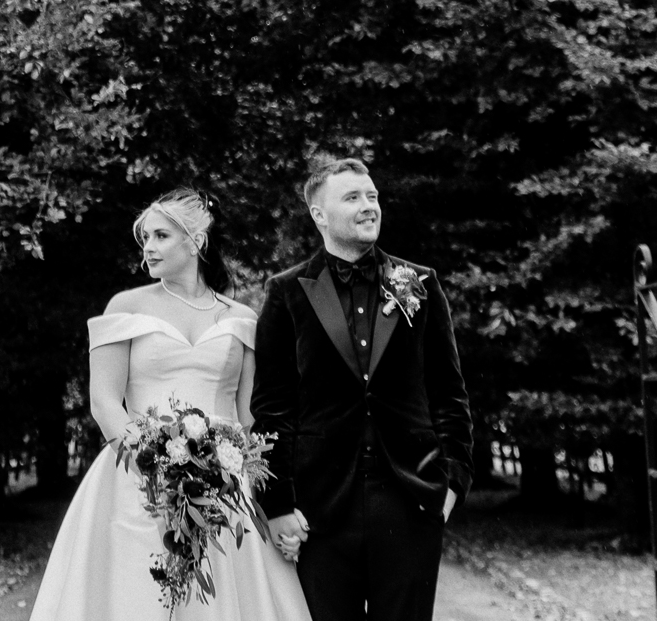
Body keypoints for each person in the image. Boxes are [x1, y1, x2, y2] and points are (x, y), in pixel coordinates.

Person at [28, 189, 313, 621]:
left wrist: (255, 482)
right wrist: (156, 464)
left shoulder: (241, 318)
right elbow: (104, 401)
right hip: (135, 476)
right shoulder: (125, 307)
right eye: (145, 238)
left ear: (195, 241)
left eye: (161, 236)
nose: (149, 248)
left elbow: (250, 413)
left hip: (226, 482)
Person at [251, 157, 473, 621]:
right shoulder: (286, 292)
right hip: (320, 510)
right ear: (319, 214)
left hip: (410, 500)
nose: (369, 206)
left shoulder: (420, 284)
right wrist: (278, 505)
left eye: (372, 196)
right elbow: (272, 408)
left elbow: (449, 393)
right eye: (352, 197)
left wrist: (453, 482)